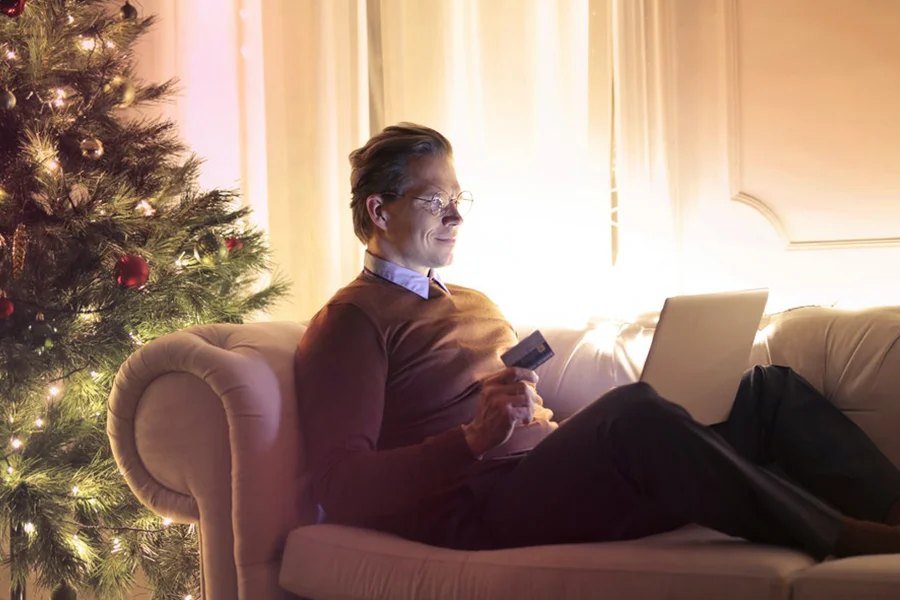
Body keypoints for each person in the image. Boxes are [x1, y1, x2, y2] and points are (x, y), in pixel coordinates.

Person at [294, 123, 900, 559]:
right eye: (435, 202)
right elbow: (340, 485)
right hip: (479, 509)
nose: (456, 218)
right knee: (632, 414)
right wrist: (471, 439)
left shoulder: (473, 300)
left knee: (766, 391)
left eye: (458, 200)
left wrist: (556, 429)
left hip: (546, 477)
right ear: (378, 210)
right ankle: (845, 538)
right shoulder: (350, 322)